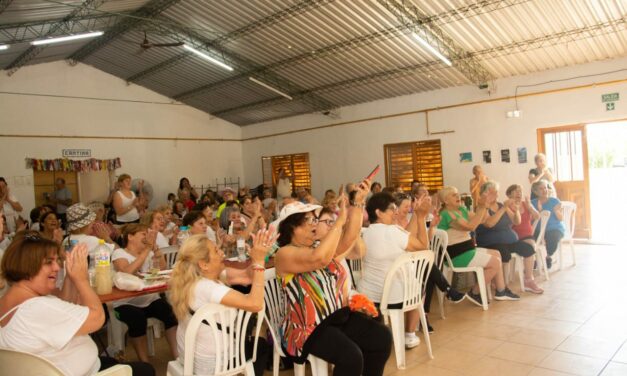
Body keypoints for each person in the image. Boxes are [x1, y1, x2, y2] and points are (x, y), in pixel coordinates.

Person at [276, 181, 392, 376]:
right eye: (309, 220)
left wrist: (356, 205)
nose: (315, 223)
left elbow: (348, 239)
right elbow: (318, 260)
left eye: (315, 219)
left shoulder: (316, 246)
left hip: (334, 317)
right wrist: (338, 223)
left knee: (381, 337)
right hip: (306, 328)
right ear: (292, 227)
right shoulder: (285, 254)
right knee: (351, 356)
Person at [0, 231, 155, 376]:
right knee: (145, 370)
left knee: (113, 362)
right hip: (81, 372)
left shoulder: (11, 301)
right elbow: (98, 318)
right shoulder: (36, 307)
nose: (56, 267)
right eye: (49, 262)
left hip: (69, 366)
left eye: (57, 261)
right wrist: (82, 280)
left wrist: (70, 275)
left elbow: (64, 307)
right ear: (27, 265)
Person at [169, 231, 276, 375]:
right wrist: (259, 262)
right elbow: (255, 304)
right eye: (216, 250)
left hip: (191, 358)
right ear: (204, 264)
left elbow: (246, 276)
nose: (222, 253)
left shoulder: (196, 279)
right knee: (261, 345)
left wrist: (257, 256)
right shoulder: (207, 288)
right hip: (214, 363)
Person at [437, 186, 520, 306]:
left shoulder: (462, 209)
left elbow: (484, 221)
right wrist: (483, 207)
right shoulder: (446, 215)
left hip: (467, 250)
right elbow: (470, 226)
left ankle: (501, 291)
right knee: (495, 263)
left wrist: (483, 205)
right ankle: (475, 292)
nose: (458, 196)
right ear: (445, 200)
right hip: (456, 255)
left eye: (457, 193)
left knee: (497, 254)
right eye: (453, 195)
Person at [111, 224, 178, 362]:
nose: (147, 237)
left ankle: (177, 355)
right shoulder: (119, 254)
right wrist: (147, 250)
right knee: (138, 319)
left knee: (171, 314)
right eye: (143, 234)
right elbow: (127, 272)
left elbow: (162, 269)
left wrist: (156, 251)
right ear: (130, 237)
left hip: (149, 299)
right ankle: (144, 362)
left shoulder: (148, 253)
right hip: (125, 302)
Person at [475, 182, 543, 294]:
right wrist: (504, 208)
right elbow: (490, 223)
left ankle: (528, 281)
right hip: (490, 243)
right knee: (504, 254)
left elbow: (517, 221)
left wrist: (516, 210)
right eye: (492, 192)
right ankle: (501, 285)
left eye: (496, 192)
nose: (496, 195)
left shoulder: (501, 205)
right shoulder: (482, 208)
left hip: (507, 241)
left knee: (528, 249)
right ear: (484, 194)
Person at [531, 180, 565, 269]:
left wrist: (556, 210)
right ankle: (533, 259)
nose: (544, 190)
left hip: (554, 228)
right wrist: (538, 210)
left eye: (545, 188)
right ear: (536, 192)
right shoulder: (532, 203)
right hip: (538, 229)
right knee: (529, 238)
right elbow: (531, 220)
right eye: (541, 189)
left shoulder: (554, 201)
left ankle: (548, 256)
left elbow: (561, 219)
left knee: (553, 237)